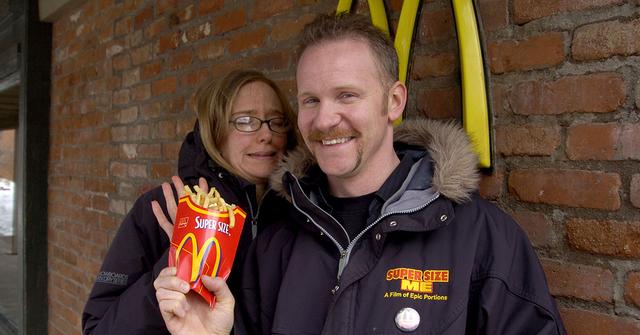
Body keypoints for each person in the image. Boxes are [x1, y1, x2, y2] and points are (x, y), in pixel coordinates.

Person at [155, 13, 567, 335]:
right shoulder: (278, 240)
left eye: (346, 95)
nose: (325, 119)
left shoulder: (482, 238)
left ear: (393, 102)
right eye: (311, 100)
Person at [82, 69, 297, 335]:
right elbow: (98, 329)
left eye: (276, 120)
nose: (266, 134)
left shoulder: (303, 213)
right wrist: (171, 274)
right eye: (245, 121)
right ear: (214, 130)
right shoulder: (165, 208)